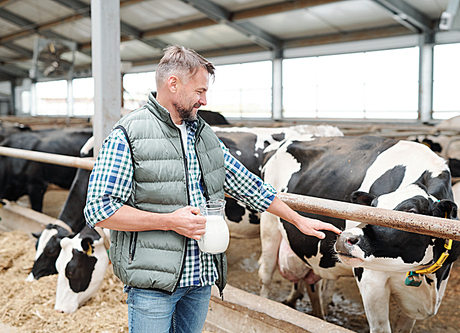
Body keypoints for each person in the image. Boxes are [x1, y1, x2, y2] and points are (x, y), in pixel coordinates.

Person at [83, 45, 340, 333]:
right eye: (199, 91)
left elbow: (250, 186)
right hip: (153, 283)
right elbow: (99, 209)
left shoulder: (203, 135)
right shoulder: (128, 134)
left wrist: (299, 219)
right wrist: (168, 221)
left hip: (201, 277)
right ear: (173, 84)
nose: (204, 100)